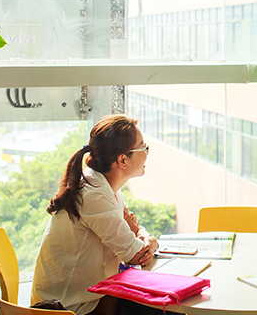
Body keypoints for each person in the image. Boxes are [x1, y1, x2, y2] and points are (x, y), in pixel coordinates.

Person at [31, 114, 178, 315]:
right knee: (166, 308)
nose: (146, 153)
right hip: (68, 307)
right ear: (123, 160)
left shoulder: (103, 186)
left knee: (163, 303)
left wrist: (140, 236)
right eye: (143, 147)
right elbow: (135, 255)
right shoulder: (94, 195)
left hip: (90, 294)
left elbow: (135, 232)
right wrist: (150, 240)